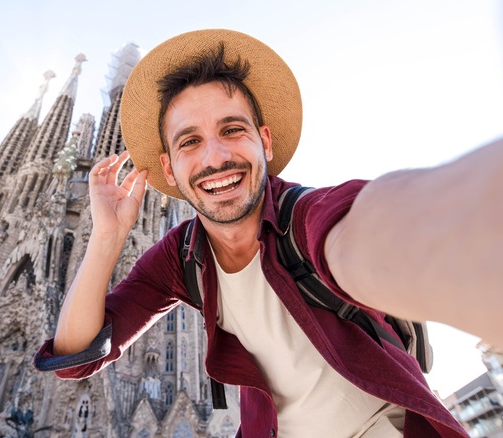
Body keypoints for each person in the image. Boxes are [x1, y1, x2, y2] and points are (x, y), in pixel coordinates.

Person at [35, 29, 500, 437]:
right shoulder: (182, 258)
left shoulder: (307, 217)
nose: (215, 157)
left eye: (232, 130)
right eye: (190, 141)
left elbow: (376, 232)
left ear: (266, 141)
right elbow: (75, 357)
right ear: (169, 169)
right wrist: (107, 238)